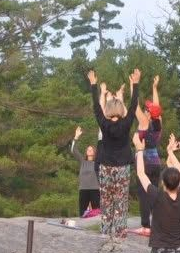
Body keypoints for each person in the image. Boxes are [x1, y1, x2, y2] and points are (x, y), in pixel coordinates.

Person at [88, 66, 149, 241]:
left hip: (106, 166)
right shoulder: (127, 122)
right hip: (122, 167)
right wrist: (135, 84)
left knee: (106, 200)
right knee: (121, 201)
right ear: (120, 111)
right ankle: (121, 233)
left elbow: (95, 107)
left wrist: (94, 85)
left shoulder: (103, 123)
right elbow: (133, 104)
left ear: (107, 110)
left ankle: (105, 232)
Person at [137, 76, 164, 236]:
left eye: (146, 109)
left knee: (143, 194)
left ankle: (146, 226)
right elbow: (157, 108)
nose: (145, 109)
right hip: (156, 163)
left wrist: (134, 87)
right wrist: (154, 88)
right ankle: (157, 223)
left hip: (145, 163)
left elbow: (134, 109)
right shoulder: (158, 123)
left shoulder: (144, 123)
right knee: (154, 192)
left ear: (148, 114)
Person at [70, 129, 100, 217]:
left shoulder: (98, 162)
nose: (89, 150)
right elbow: (73, 150)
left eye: (91, 149)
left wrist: (101, 135)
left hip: (95, 189)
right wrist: (76, 137)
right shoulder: (83, 161)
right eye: (88, 149)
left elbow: (103, 148)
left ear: (94, 152)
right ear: (86, 152)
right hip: (83, 189)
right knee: (82, 213)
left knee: (96, 212)